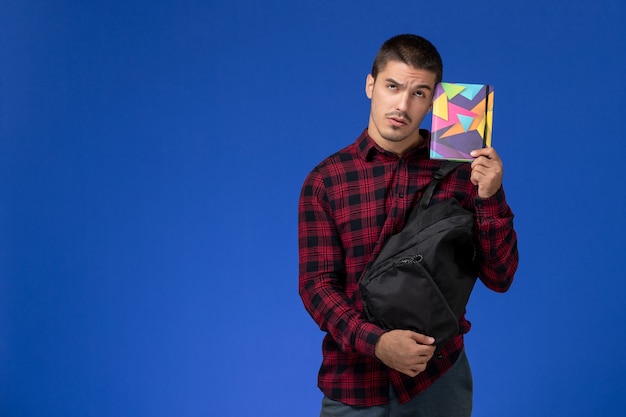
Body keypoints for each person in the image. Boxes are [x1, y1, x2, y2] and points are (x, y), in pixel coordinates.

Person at [298, 34, 519, 416]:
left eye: (418, 93)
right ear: (371, 85)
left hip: (439, 377)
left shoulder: (462, 171)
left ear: (434, 100)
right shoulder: (326, 181)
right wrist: (378, 343)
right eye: (393, 86)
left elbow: (500, 277)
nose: (402, 104)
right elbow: (316, 287)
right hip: (354, 383)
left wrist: (491, 196)